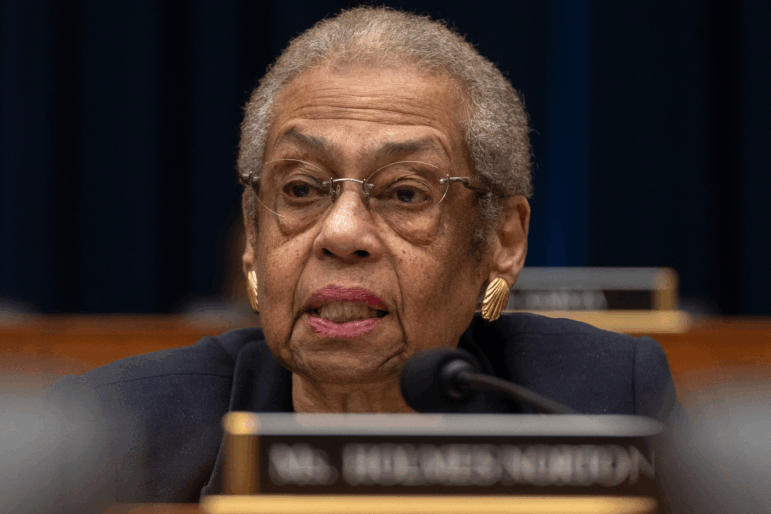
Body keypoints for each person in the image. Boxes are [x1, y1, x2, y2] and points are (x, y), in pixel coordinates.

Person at [37, 6, 676, 509]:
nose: (341, 233)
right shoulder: (119, 431)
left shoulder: (599, 399)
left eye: (404, 192)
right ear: (255, 237)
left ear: (503, 240)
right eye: (301, 190)